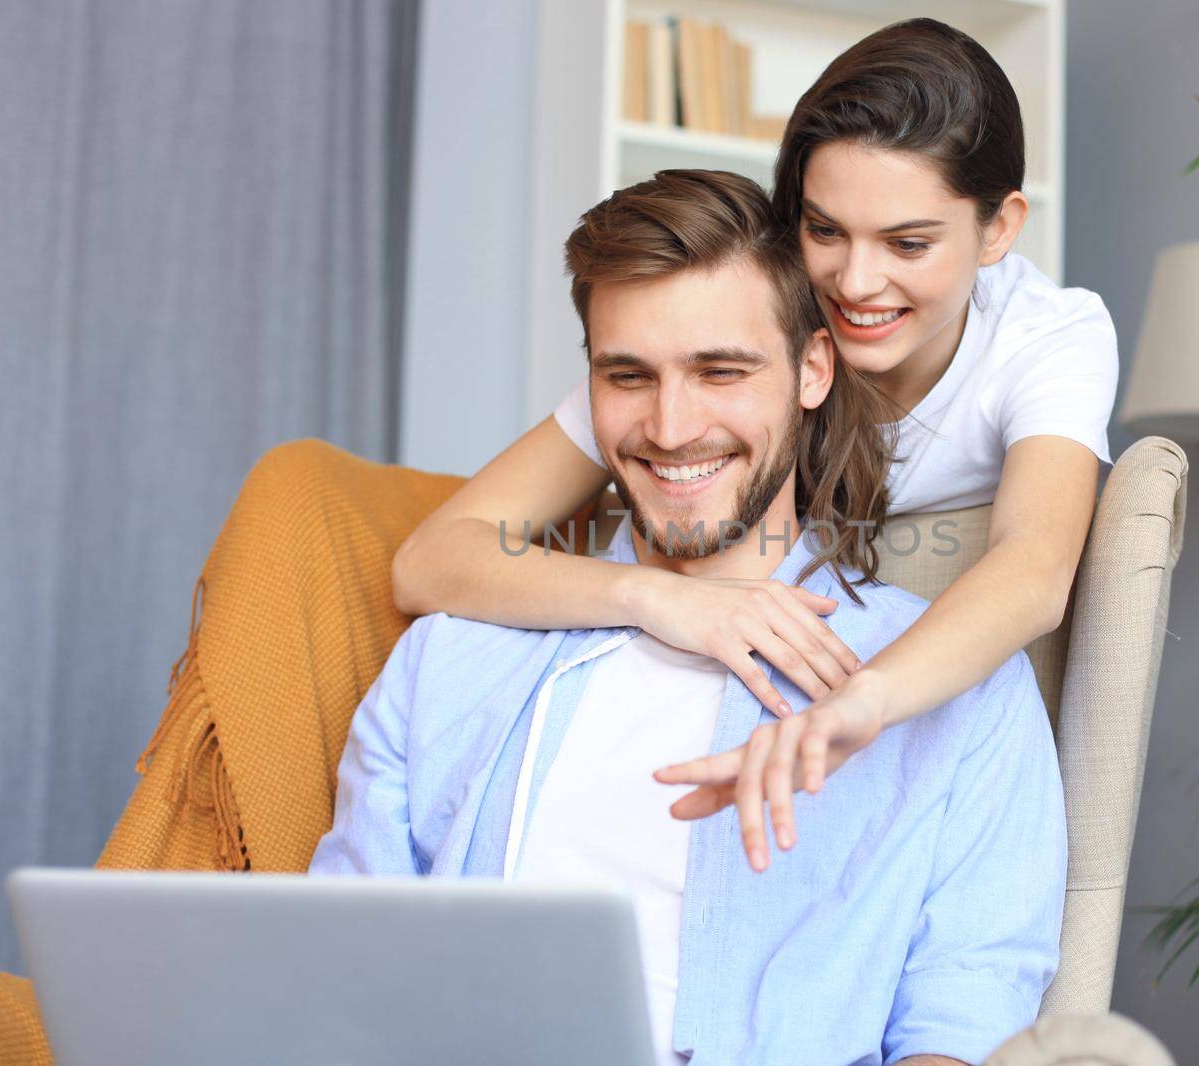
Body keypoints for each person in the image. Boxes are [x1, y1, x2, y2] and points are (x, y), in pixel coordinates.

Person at [310, 171, 1065, 1066]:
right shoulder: (451, 659)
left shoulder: (953, 692)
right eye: (628, 375)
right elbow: (337, 985)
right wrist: (658, 602)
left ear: (812, 369)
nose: (671, 428)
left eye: (721, 371)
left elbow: (966, 1014)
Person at [391, 18, 1115, 867]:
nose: (855, 282)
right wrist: (657, 599)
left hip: (869, 681)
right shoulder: (722, 350)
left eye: (908, 243)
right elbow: (430, 559)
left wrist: (859, 704)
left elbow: (1033, 568)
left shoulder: (1044, 338)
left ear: (998, 229)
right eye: (825, 230)